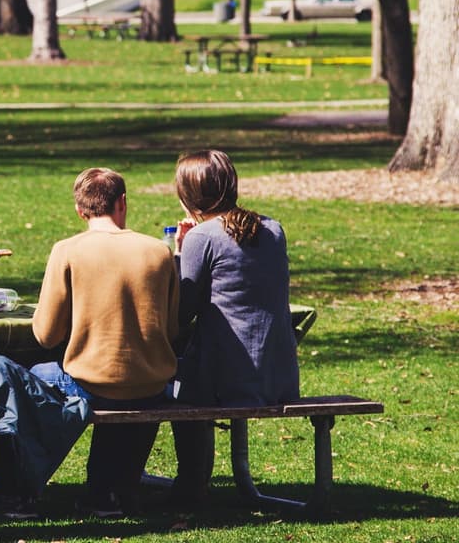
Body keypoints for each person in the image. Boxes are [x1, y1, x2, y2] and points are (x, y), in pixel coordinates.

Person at [31, 167, 179, 516]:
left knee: (34, 375)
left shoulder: (67, 251)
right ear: (122, 202)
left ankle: (17, 487)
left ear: (80, 211)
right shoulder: (159, 251)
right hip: (151, 383)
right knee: (124, 383)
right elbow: (171, 330)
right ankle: (110, 489)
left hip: (91, 383)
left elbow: (46, 335)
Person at [169, 149, 300, 506]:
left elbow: (182, 313)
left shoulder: (202, 238)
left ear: (187, 196)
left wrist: (181, 253)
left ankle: (189, 483)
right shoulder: (273, 229)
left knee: (160, 382)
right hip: (278, 375)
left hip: (226, 380)